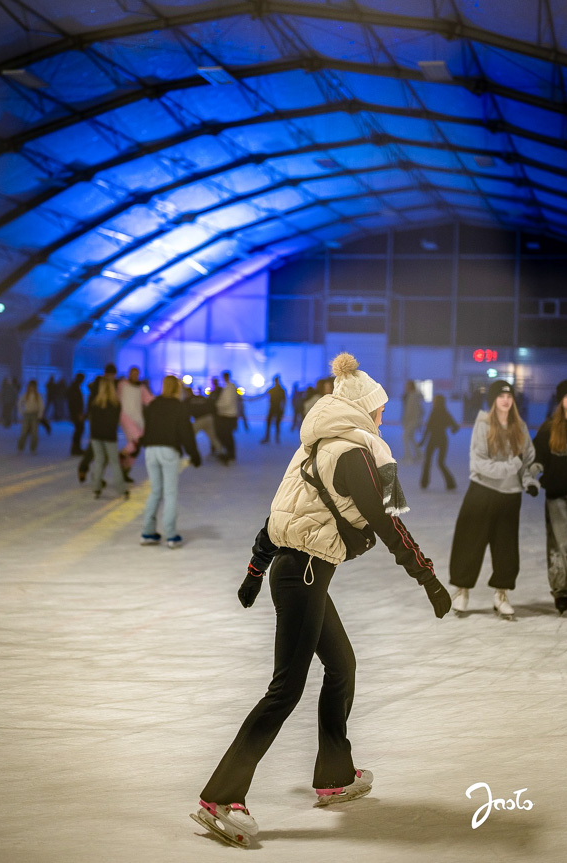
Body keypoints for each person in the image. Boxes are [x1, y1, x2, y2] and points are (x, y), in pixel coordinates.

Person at [192, 352, 451, 847]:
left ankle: (334, 774)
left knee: (342, 665)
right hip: (305, 574)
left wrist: (254, 569)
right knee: (285, 688)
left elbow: (280, 515)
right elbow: (387, 522)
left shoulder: (314, 448)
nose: (382, 417)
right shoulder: (353, 455)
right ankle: (221, 795)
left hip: (298, 571)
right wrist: (428, 579)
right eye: (378, 409)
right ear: (361, 410)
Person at [449, 380, 537, 619]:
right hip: (482, 491)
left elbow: (528, 460)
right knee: (469, 542)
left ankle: (501, 594)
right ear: (494, 400)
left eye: (509, 396)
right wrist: (513, 466)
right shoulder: (483, 424)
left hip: (510, 496)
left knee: (506, 549)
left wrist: (529, 478)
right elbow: (480, 464)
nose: (505, 400)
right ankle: (462, 591)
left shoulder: (520, 427)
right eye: (500, 396)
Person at [140, 375, 201, 549]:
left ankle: (147, 532)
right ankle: (171, 535)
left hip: (151, 450)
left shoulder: (153, 404)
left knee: (155, 491)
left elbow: (148, 427)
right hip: (168, 450)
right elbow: (186, 433)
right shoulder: (178, 406)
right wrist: (194, 454)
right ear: (177, 388)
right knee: (170, 493)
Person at [532, 380, 567, 615]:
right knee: (560, 544)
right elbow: (538, 459)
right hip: (556, 495)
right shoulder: (549, 428)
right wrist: (533, 477)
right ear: (561, 401)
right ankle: (561, 591)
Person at [88, 377, 127, 500]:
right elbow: (115, 422)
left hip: (96, 436)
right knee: (114, 463)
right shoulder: (116, 404)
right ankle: (121, 490)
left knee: (99, 461)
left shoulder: (94, 403)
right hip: (109, 436)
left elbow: (91, 421)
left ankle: (96, 489)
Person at [78, 363, 118, 483]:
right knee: (95, 446)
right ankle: (85, 469)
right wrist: (89, 414)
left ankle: (95, 474)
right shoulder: (99, 385)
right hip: (97, 419)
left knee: (100, 448)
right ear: (106, 374)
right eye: (111, 374)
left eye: (113, 375)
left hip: (105, 420)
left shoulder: (111, 385)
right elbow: (92, 402)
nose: (112, 377)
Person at [118, 367, 153, 482]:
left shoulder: (141, 387)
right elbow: (116, 397)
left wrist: (163, 401)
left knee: (136, 448)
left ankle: (125, 470)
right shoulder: (122, 384)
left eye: (136, 374)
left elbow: (149, 400)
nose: (134, 376)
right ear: (129, 374)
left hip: (138, 419)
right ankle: (120, 456)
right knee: (137, 440)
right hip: (125, 417)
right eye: (132, 373)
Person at [419, 395, 459, 490]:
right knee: (440, 463)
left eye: (435, 401)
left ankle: (424, 483)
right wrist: (452, 430)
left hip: (433, 439)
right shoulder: (445, 413)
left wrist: (423, 441)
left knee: (428, 461)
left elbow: (428, 428)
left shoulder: (434, 413)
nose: (433, 402)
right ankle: (451, 484)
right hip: (442, 439)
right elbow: (455, 427)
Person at [215, 370, 238, 463]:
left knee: (226, 435)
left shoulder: (229, 388)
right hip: (229, 415)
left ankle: (230, 454)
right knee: (227, 435)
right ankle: (230, 453)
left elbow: (227, 402)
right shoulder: (230, 387)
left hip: (228, 415)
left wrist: (218, 406)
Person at [17, 380, 44, 453]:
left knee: (34, 433)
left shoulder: (38, 396)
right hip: (27, 414)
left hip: (34, 415)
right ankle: (20, 448)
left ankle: (33, 448)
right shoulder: (25, 395)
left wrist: (39, 415)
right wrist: (21, 412)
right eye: (30, 386)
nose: (32, 388)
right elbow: (19, 403)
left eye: (33, 387)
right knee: (24, 432)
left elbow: (41, 406)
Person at [260, 375, 287, 444]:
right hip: (274, 408)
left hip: (276, 409)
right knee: (272, 423)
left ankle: (274, 438)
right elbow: (284, 401)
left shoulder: (279, 390)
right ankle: (273, 438)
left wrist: (283, 410)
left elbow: (284, 401)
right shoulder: (279, 390)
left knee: (275, 424)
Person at [402, 380, 423, 462]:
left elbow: (410, 411)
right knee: (411, 437)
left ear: (410, 387)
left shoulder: (412, 396)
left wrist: (406, 421)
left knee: (405, 437)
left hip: (412, 421)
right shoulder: (411, 396)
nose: (405, 388)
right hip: (413, 420)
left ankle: (408, 456)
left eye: (407, 386)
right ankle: (419, 454)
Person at [67, 373, 86, 456]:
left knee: (79, 430)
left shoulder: (75, 387)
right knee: (79, 430)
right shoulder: (75, 388)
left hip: (76, 413)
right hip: (76, 413)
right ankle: (75, 448)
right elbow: (75, 402)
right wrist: (78, 413)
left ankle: (76, 447)